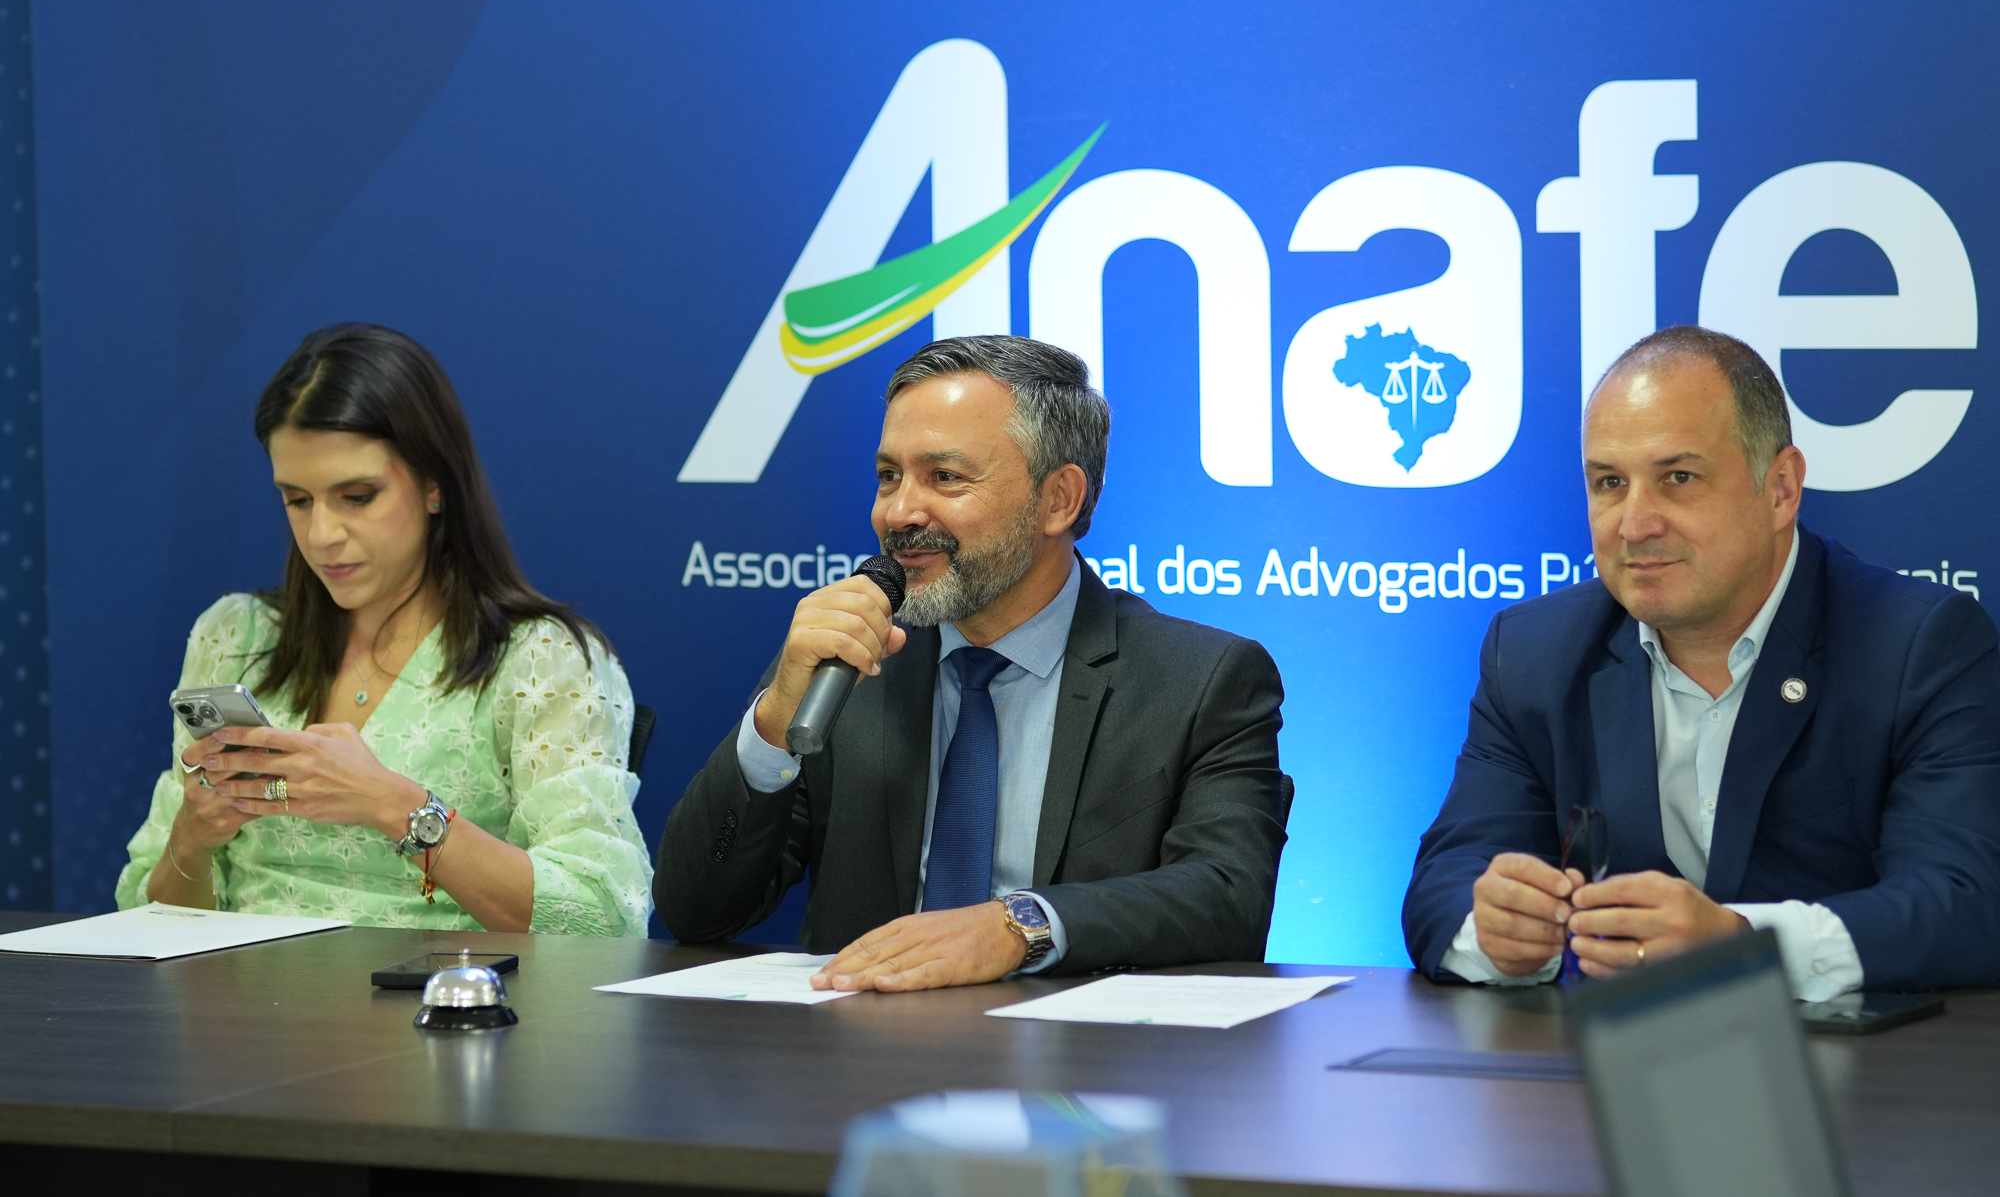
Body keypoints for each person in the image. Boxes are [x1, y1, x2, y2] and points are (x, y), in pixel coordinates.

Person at [656, 335, 1286, 990]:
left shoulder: (1200, 680)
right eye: (889, 476)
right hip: (857, 1041)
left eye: (945, 477)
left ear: (1059, 499)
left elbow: (1228, 897)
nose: (899, 512)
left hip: (1077, 1049)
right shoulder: (848, 660)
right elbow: (696, 911)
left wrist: (1019, 926)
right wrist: (775, 724)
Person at [1404, 325, 2000, 998]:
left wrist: (1743, 942)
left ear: (1781, 489)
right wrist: (1497, 930)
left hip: (1857, 1059)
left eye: (1678, 478)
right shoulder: (1534, 652)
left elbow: (1965, 902)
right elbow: (1443, 886)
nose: (1634, 524)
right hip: (1604, 1057)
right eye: (1609, 483)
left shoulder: (1919, 646)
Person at [116, 324, 651, 935]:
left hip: (437, 992)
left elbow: (600, 919)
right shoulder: (234, 637)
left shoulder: (539, 659)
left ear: (434, 486)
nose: (321, 535)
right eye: (298, 500)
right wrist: (192, 838)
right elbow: (147, 924)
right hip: (238, 993)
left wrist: (393, 805)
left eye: (358, 496)